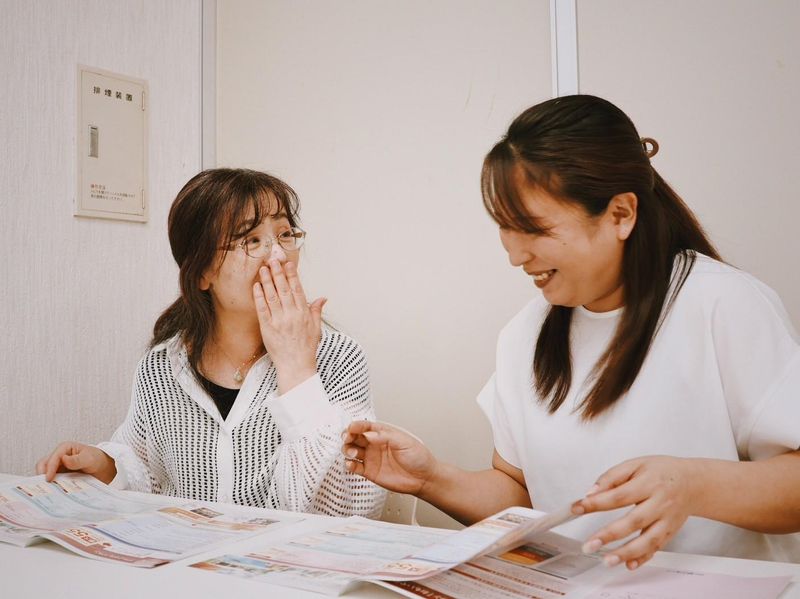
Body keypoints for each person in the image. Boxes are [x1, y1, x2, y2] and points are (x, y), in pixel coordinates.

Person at [343, 95, 800, 566]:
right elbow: (523, 496)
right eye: (505, 227)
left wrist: (694, 485)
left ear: (621, 214)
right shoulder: (524, 335)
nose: (515, 256)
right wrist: (430, 479)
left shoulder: (722, 304)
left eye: (535, 228)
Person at [37, 168, 384, 517]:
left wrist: (297, 370)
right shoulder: (161, 367)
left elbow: (348, 508)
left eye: (284, 234)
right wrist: (105, 465)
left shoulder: (339, 357)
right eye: (252, 240)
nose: (279, 256)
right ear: (202, 271)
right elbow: (148, 470)